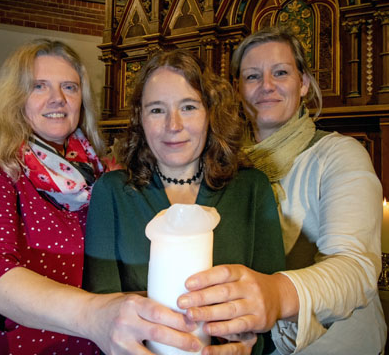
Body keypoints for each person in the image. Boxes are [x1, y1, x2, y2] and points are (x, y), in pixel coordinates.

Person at [0, 39, 199, 355]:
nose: (57, 99)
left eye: (70, 88)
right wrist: (91, 314)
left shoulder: (99, 173)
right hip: (6, 346)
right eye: (39, 86)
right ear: (12, 97)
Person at [175, 26, 387, 354]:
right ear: (237, 88)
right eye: (252, 77)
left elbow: (355, 267)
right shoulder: (219, 162)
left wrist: (277, 294)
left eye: (281, 72)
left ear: (303, 83)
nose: (267, 86)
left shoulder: (339, 155)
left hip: (331, 344)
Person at [83, 49, 286, 355]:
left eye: (188, 107)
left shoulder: (252, 188)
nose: (173, 125)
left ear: (210, 113)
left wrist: (249, 347)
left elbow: (272, 309)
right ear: (140, 118)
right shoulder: (111, 192)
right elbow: (102, 313)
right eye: (156, 110)